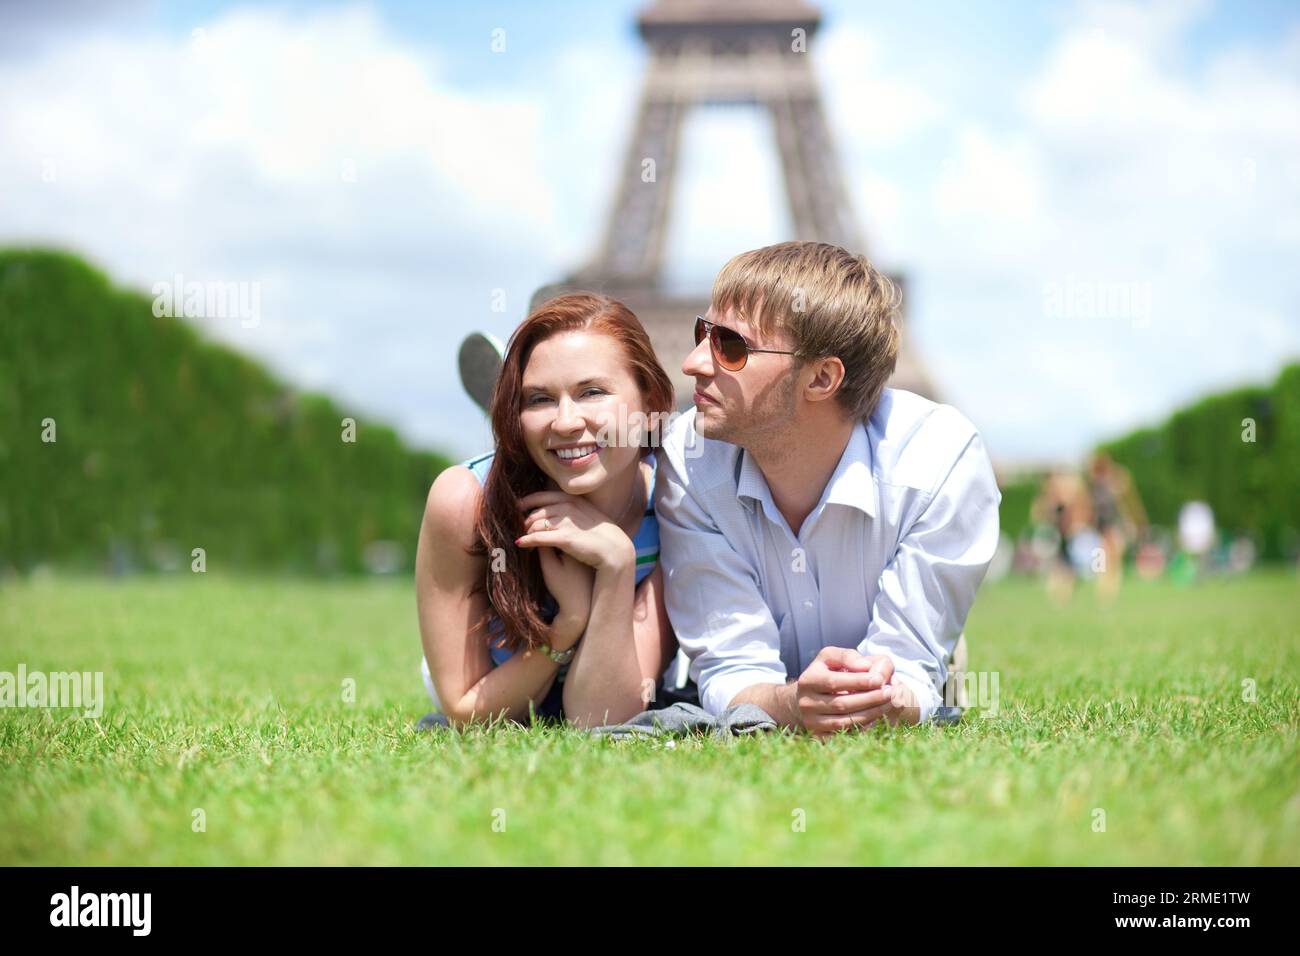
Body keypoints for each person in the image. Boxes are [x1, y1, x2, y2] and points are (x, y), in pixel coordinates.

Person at [655, 241, 1001, 738]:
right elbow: (733, 667)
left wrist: (888, 693)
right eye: (699, 333)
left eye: (729, 346)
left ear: (820, 377)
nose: (691, 364)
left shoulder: (941, 460)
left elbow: (905, 673)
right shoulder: (686, 458)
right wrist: (791, 704)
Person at [416, 292, 679, 729]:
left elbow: (601, 718)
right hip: (498, 676)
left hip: (611, 680)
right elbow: (465, 711)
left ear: (649, 399)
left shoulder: (677, 504)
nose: (565, 421)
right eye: (537, 400)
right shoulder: (464, 500)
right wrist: (567, 623)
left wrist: (617, 566)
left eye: (592, 392)